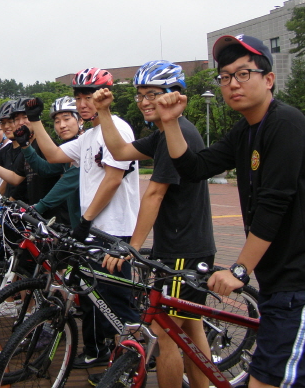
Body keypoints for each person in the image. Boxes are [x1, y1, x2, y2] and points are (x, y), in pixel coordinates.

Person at [155, 34, 305, 388]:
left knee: (265, 380)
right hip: (281, 281)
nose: (232, 84)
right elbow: (196, 168)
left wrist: (240, 269)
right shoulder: (245, 131)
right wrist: (169, 122)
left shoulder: (285, 124)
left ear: (268, 79)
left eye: (243, 73)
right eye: (225, 77)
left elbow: (274, 206)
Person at [89, 61, 216, 388]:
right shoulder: (163, 134)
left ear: (175, 96)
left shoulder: (179, 134)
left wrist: (130, 246)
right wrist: (103, 111)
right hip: (182, 247)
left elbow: (155, 194)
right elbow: (119, 150)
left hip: (183, 251)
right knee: (189, 328)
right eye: (141, 95)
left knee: (165, 336)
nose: (145, 101)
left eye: (154, 94)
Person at [25, 68, 140, 369]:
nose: (82, 103)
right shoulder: (88, 136)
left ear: (104, 96)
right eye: (78, 98)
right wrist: (36, 121)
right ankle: (103, 351)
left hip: (113, 231)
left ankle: (137, 355)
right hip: (94, 231)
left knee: (116, 302)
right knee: (93, 297)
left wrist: (85, 221)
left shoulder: (117, 128)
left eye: (88, 96)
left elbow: (113, 179)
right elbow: (52, 156)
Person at [21, 96, 82, 228]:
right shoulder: (67, 150)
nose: (62, 125)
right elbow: (46, 169)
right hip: (76, 223)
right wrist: (25, 146)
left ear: (80, 120)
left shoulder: (86, 143)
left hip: (98, 226)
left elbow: (70, 180)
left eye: (67, 119)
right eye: (57, 121)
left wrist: (40, 206)